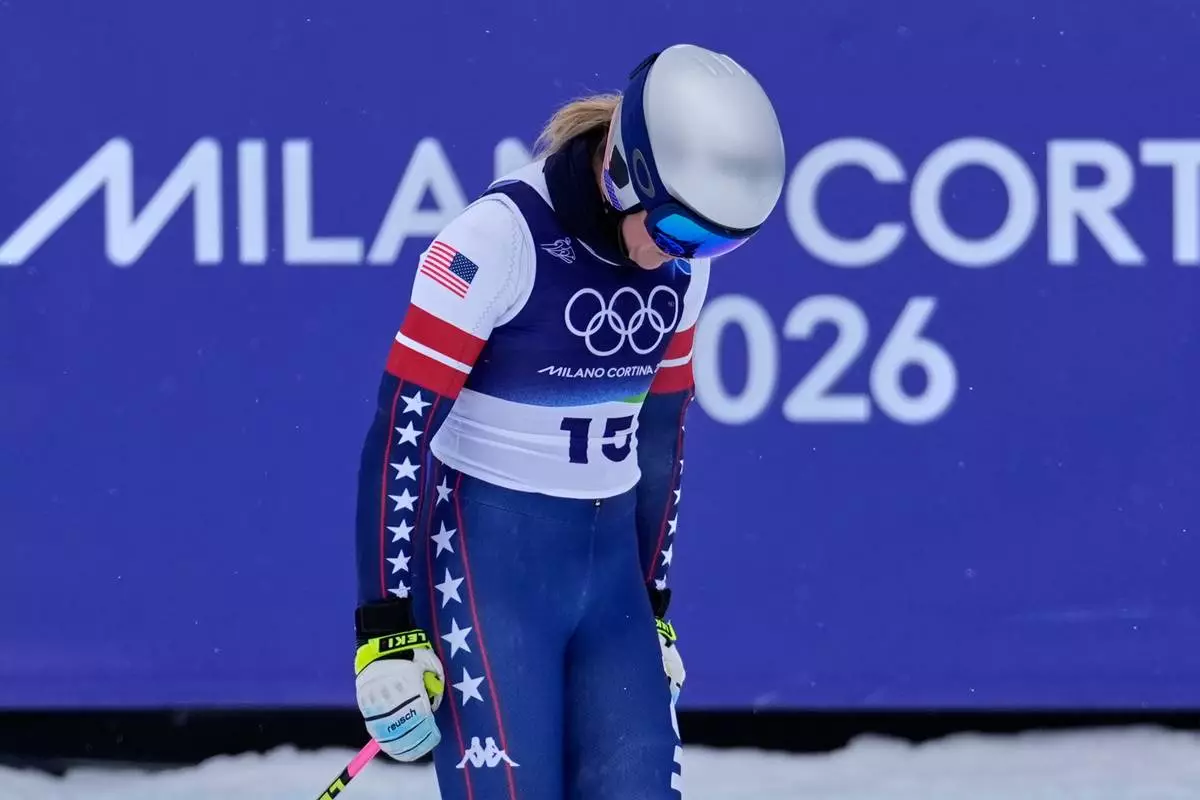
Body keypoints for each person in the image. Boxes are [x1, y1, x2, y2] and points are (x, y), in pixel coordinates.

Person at [351, 43, 785, 800]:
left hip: (608, 577)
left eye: (720, 243)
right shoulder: (498, 239)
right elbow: (401, 431)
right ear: (626, 173)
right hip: (490, 576)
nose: (682, 259)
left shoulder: (684, 264)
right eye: (684, 232)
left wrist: (653, 605)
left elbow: (660, 438)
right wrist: (385, 628)